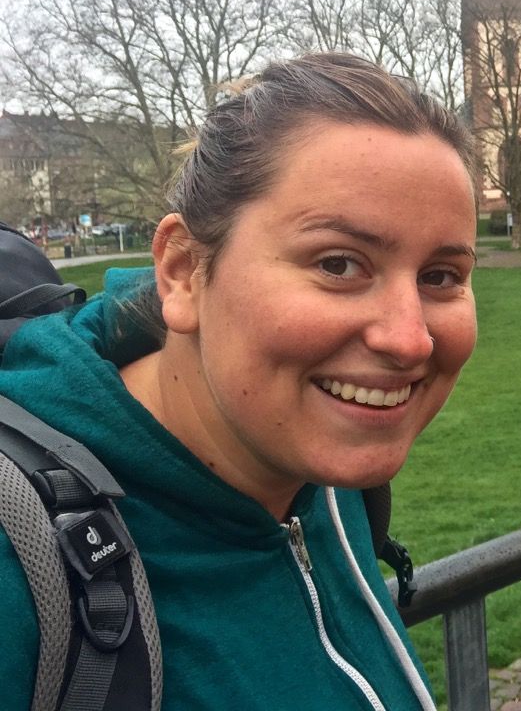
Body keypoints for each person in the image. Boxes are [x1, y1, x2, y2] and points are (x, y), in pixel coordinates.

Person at [0, 53, 479, 710]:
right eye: (339, 263)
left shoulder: (321, 484)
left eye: (442, 275)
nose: (408, 338)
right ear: (182, 272)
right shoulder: (20, 569)